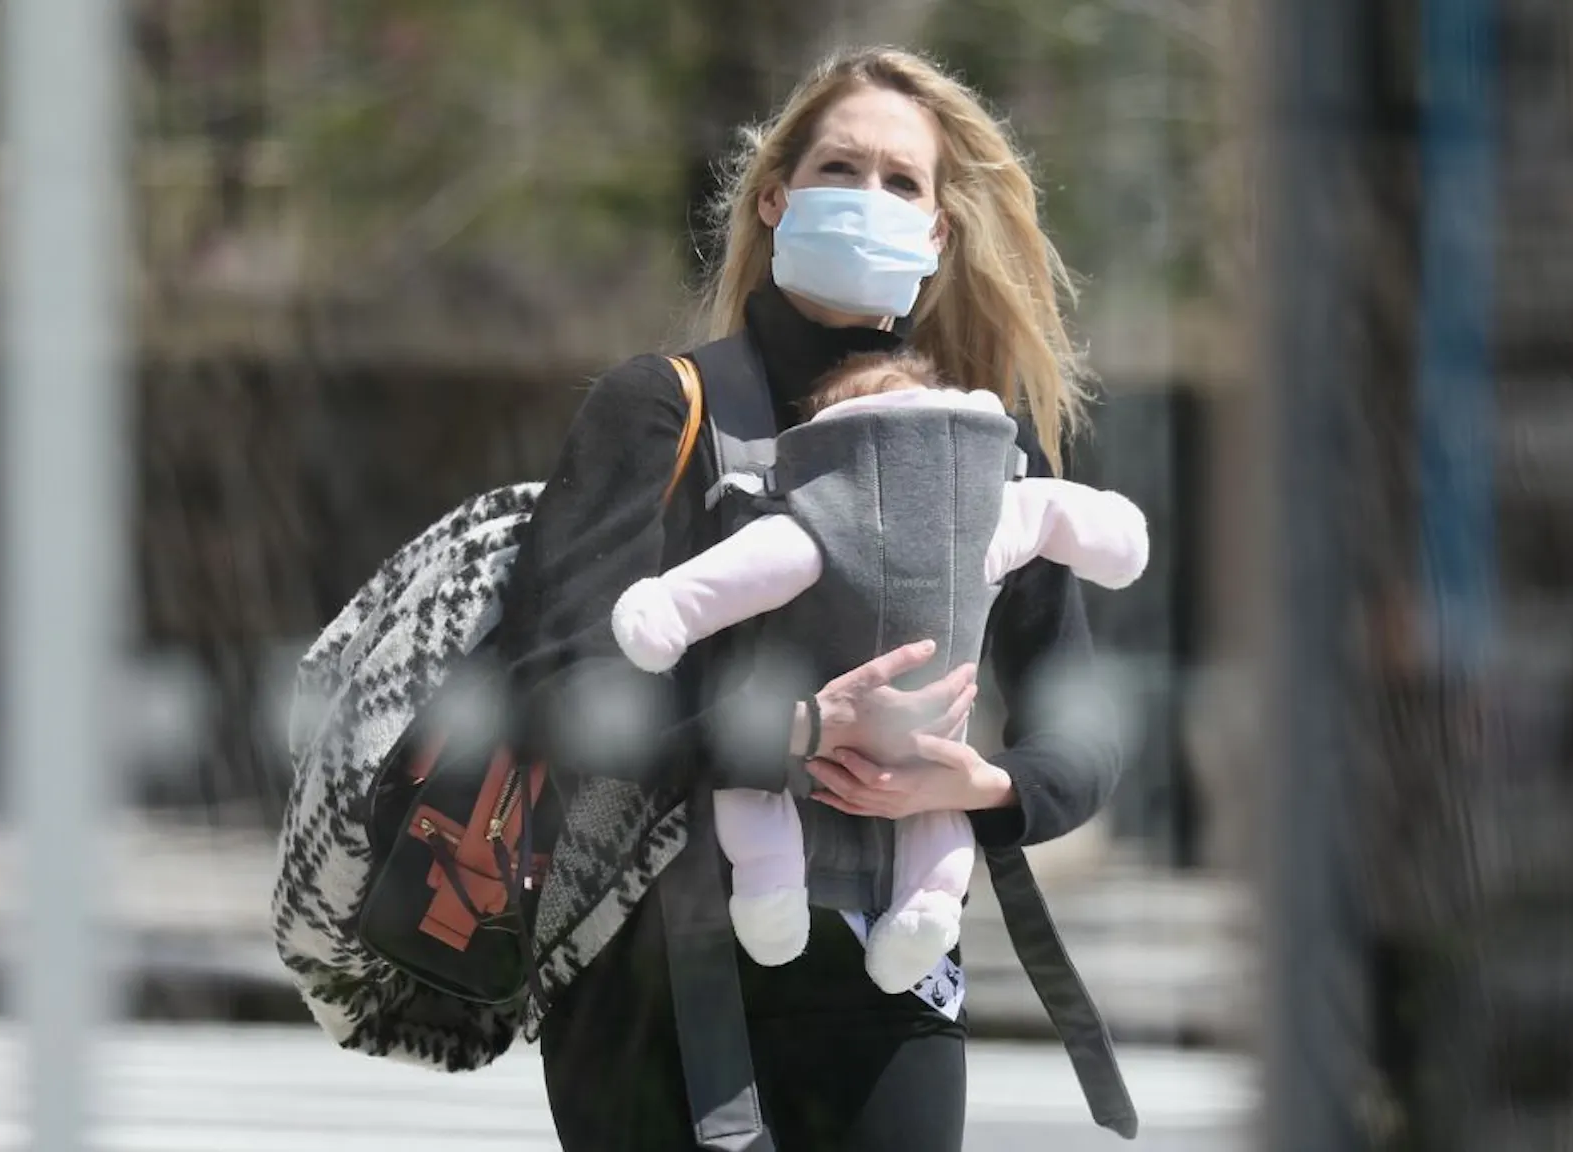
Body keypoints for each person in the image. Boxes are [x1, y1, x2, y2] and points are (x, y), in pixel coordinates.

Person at [492, 44, 1123, 1151]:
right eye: (839, 169)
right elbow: (552, 694)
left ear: (936, 232)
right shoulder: (659, 411)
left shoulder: (987, 452)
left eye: (900, 181)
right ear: (775, 196)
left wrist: (982, 781)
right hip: (651, 982)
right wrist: (797, 736)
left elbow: (1075, 723)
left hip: (890, 982)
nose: (866, 198)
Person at [608, 349, 1148, 997]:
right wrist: (807, 727)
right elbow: (590, 719)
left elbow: (1082, 747)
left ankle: (905, 909)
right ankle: (816, 895)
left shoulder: (995, 471)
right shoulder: (684, 411)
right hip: (698, 953)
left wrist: (982, 785)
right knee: (780, 808)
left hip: (906, 984)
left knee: (899, 830)